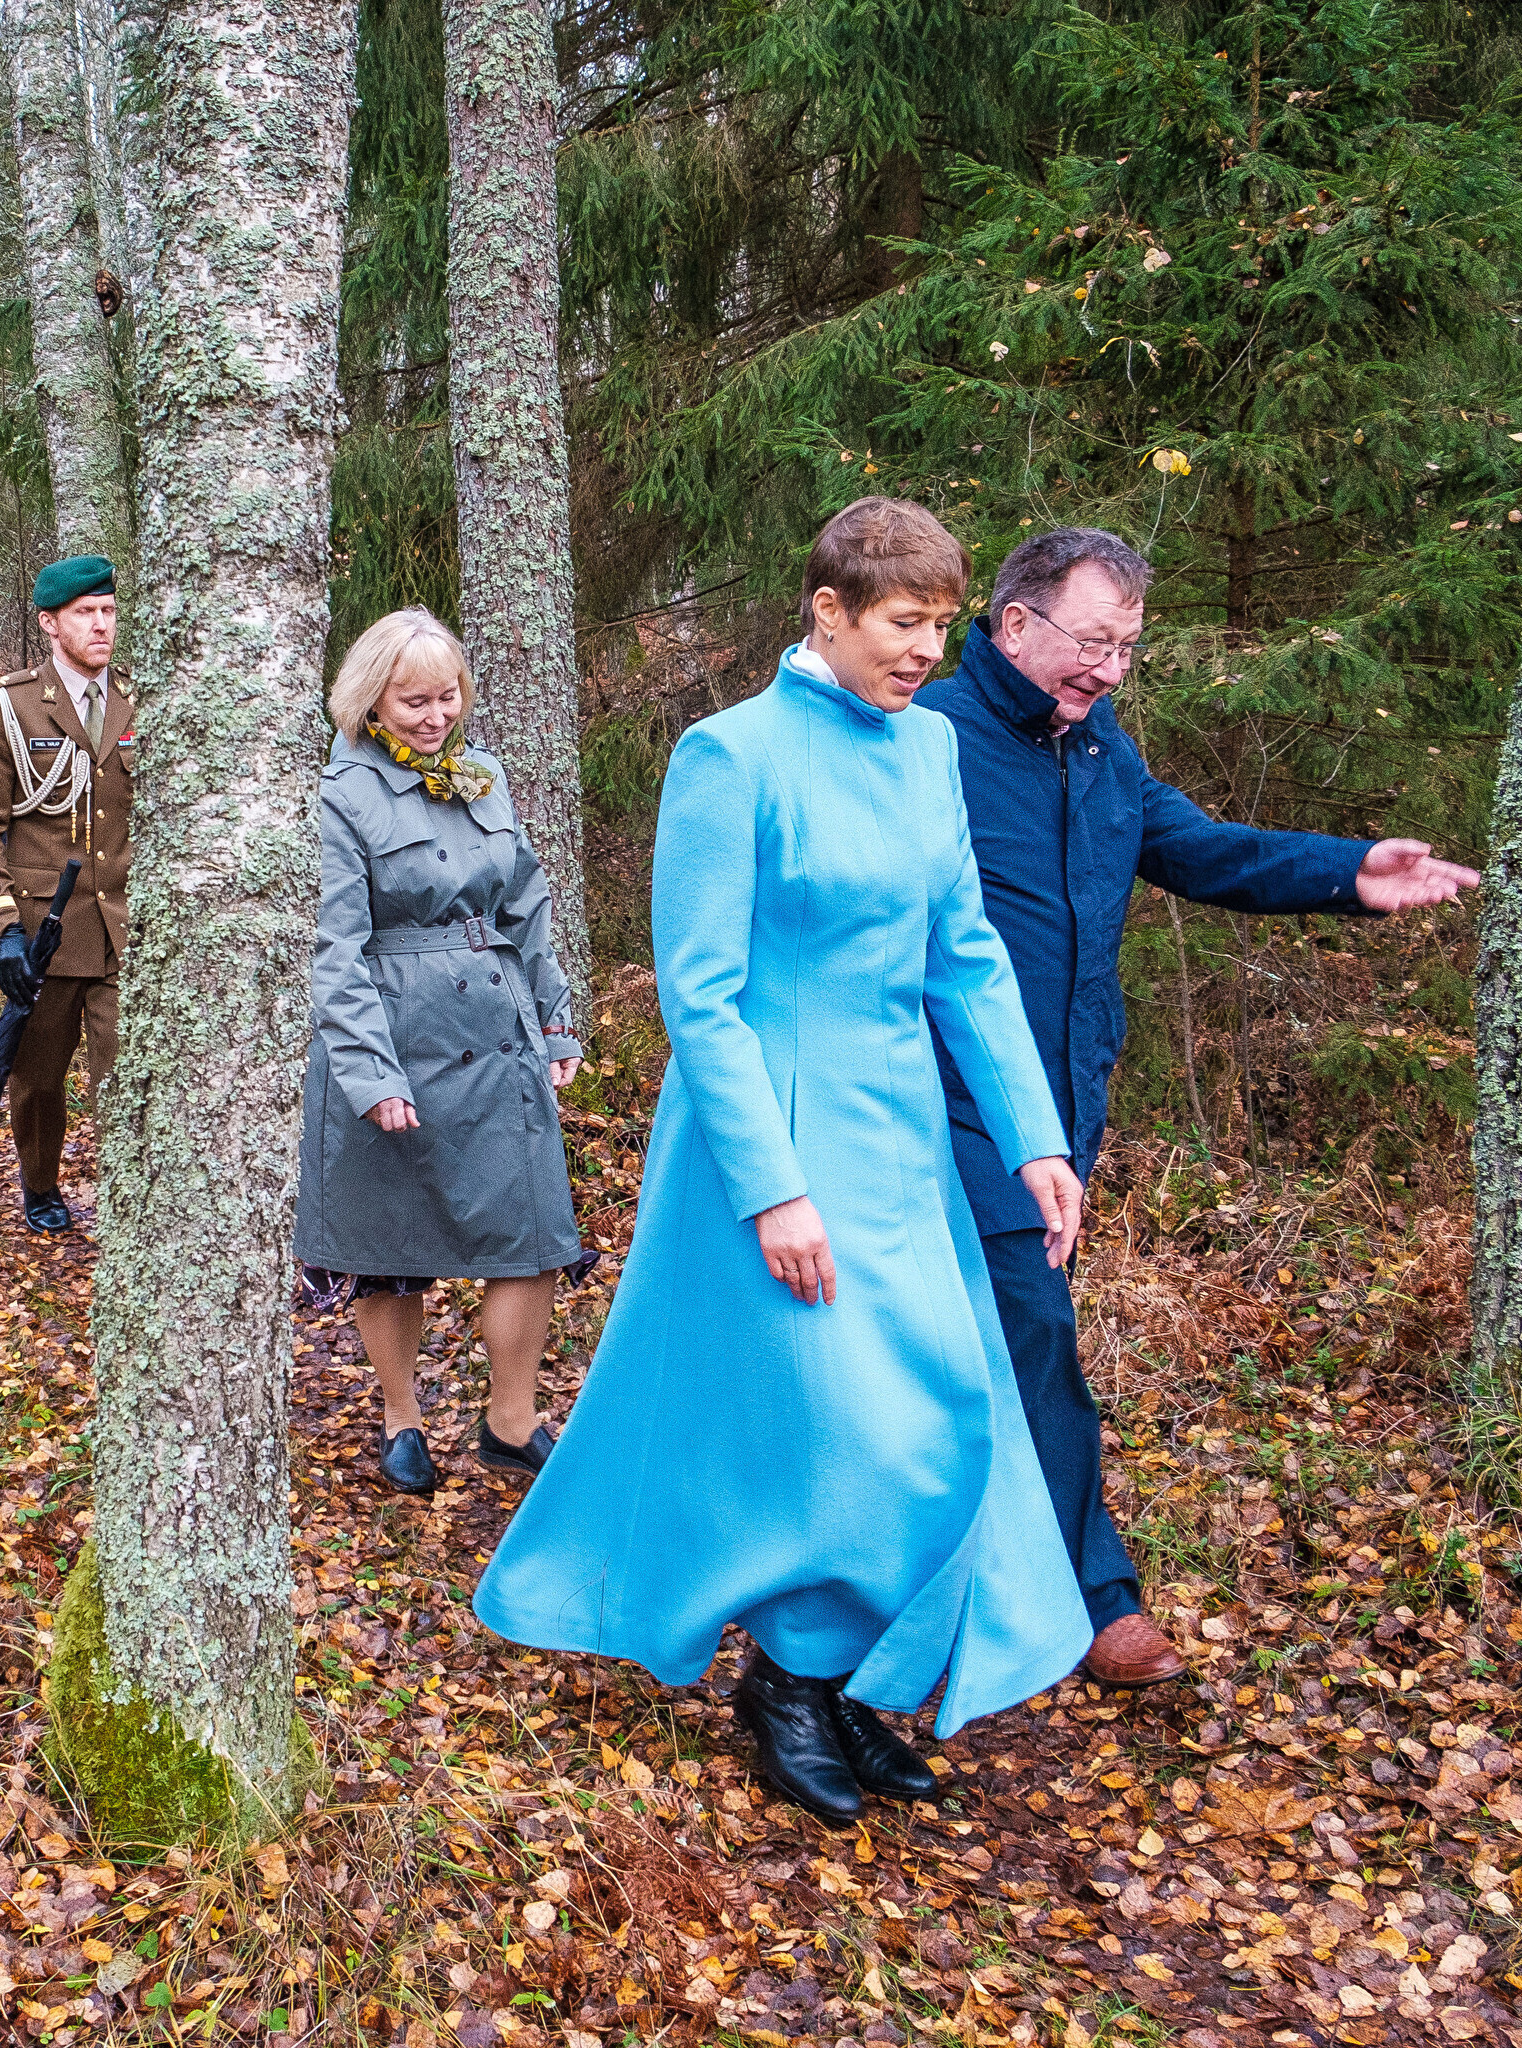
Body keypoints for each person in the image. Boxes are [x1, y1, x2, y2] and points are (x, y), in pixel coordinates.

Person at [475, 499, 1091, 1827]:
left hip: (904, 1145)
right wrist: (775, 1189)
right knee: (838, 1432)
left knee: (941, 1416)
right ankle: (793, 1683)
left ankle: (841, 1674)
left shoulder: (930, 748)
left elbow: (965, 954)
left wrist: (1033, 1137)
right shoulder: (729, 756)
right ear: (828, 610)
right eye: (904, 622)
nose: (926, 650)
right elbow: (700, 998)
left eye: (942, 625)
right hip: (770, 1143)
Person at [913, 528, 1478, 1690]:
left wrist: (1351, 871)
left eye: (1127, 646)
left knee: (986, 1344)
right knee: (1031, 1330)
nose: (1109, 667)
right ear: (1014, 624)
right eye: (1092, 641)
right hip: (944, 1097)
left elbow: (1206, 849)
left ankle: (960, 1575)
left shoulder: (1098, 749)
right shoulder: (927, 738)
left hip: (1066, 1102)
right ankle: (1092, 1595)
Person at [292, 608, 588, 1497]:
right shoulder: (340, 793)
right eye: (414, 701)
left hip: (497, 1034)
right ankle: (401, 1417)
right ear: (371, 700)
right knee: (389, 1242)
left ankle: (511, 1420)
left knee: (533, 1234)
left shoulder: (482, 776)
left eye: (448, 696)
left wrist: (555, 1020)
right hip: (393, 1036)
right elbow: (333, 949)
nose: (436, 716)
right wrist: (369, 1073)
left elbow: (526, 907)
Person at [0, 556, 134, 1232]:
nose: (101, 624)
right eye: (85, 613)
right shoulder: (7, 704)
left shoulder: (139, 701)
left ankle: (128, 1202)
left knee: (125, 1080)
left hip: (123, 928)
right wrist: (2, 929)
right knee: (37, 1078)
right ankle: (39, 1183)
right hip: (44, 932)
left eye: (108, 611)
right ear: (50, 624)